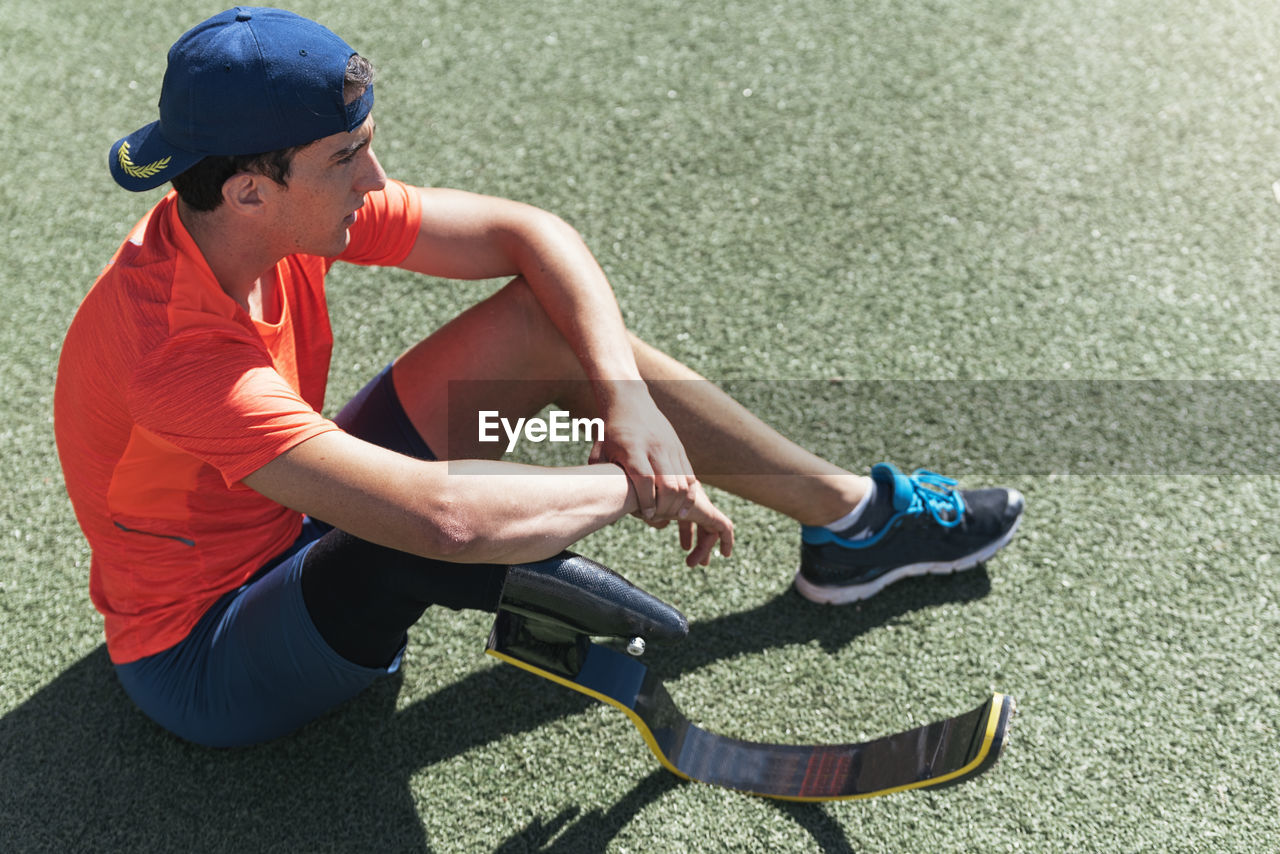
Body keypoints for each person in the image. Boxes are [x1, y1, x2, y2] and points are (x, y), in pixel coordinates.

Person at [54, 8, 1024, 748]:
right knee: (425, 536)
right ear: (250, 188)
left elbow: (529, 234)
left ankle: (853, 524)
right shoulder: (175, 352)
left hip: (296, 519)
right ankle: (514, 579)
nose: (376, 179)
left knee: (539, 326)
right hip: (209, 649)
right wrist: (632, 478)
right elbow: (446, 518)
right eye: (347, 156)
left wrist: (626, 402)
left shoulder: (253, 224)